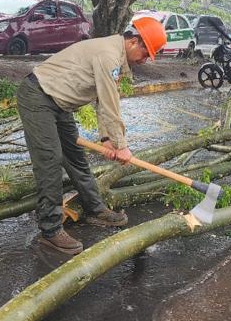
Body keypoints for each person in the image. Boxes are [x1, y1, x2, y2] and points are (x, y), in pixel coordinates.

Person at [16, 16, 167, 257]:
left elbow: (100, 97)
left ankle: (95, 209)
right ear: (133, 41)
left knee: (75, 158)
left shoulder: (114, 54)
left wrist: (107, 139)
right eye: (146, 52)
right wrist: (122, 146)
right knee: (51, 161)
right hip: (38, 97)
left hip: (60, 104)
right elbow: (110, 103)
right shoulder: (108, 55)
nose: (145, 59)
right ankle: (51, 230)